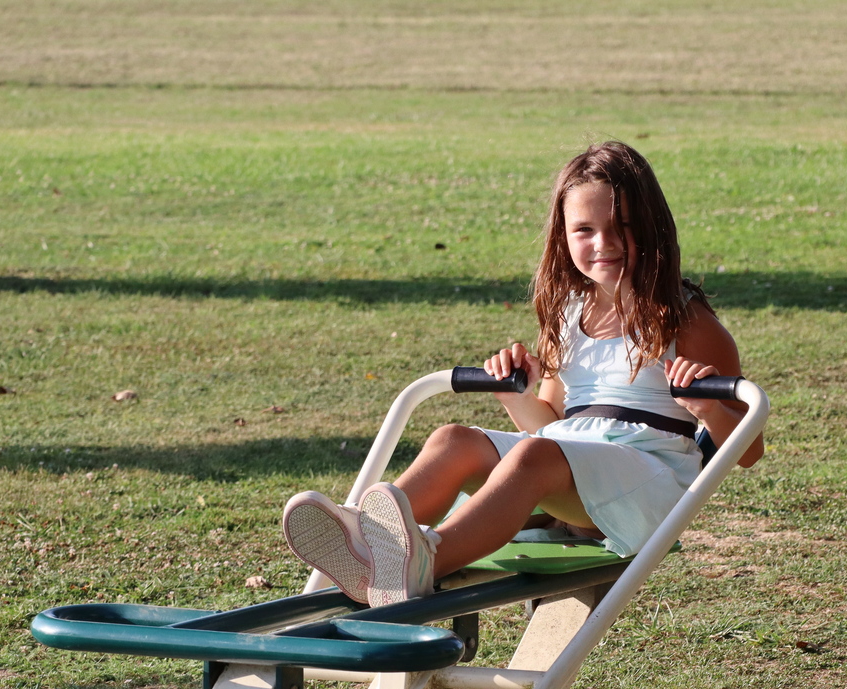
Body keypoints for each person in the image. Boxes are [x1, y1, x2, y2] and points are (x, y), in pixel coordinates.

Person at [282, 140, 764, 606]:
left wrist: (707, 409)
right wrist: (515, 395)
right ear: (563, 236)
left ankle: (426, 563)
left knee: (535, 454)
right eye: (585, 230)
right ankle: (365, 542)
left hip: (644, 484)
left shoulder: (686, 320)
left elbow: (749, 450)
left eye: (622, 226)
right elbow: (551, 423)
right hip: (572, 470)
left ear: (652, 228)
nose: (604, 243)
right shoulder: (569, 315)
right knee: (454, 440)